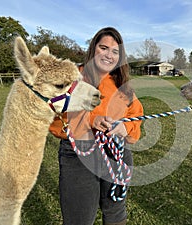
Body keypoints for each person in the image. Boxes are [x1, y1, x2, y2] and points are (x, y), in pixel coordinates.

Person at [49, 27, 143, 225]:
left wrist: (126, 128)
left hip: (115, 150)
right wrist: (91, 121)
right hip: (78, 153)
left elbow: (136, 113)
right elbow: (56, 114)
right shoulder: (73, 78)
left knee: (115, 211)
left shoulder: (121, 83)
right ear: (94, 49)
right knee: (79, 218)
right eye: (104, 48)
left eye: (115, 51)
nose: (109, 55)